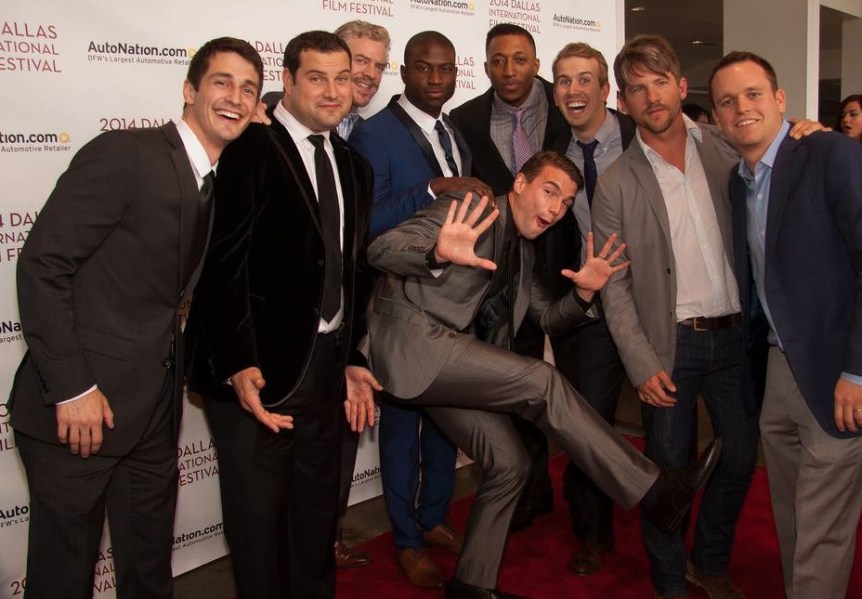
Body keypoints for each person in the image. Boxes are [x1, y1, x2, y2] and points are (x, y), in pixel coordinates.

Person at [356, 149, 722, 599]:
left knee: (511, 464)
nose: (555, 209)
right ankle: (654, 489)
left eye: (566, 202)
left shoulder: (523, 254)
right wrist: (435, 251)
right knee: (541, 380)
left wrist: (585, 293)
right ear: (520, 183)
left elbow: (548, 318)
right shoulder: (468, 211)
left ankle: (472, 585)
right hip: (411, 346)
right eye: (549, 191)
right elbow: (381, 248)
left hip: (446, 363)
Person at [9, 37, 262, 599]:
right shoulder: (126, 154)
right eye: (222, 82)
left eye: (249, 89)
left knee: (148, 566)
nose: (236, 98)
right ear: (189, 90)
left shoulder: (214, 181)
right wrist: (72, 387)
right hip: (78, 409)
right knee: (63, 576)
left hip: (152, 408)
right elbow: (43, 266)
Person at [184, 31, 375, 598]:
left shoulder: (354, 165)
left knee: (317, 518)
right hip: (258, 374)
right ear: (286, 81)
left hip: (326, 369)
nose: (333, 90)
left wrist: (354, 354)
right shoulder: (248, 147)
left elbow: (354, 270)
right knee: (259, 527)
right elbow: (223, 266)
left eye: (343, 77)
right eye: (316, 77)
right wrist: (239, 361)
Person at [590, 34, 757, 599]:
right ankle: (669, 583)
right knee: (667, 474)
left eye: (660, 82)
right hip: (669, 347)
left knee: (738, 459)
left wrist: (803, 132)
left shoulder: (725, 148)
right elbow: (614, 286)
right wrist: (640, 364)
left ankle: (708, 561)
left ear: (681, 86)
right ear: (623, 100)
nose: (651, 97)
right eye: (637, 88)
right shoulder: (614, 182)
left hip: (735, 337)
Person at [709, 51, 862, 599]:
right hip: (775, 369)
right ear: (718, 119)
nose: (740, 108)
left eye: (753, 94)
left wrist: (858, 372)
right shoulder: (737, 180)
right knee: (791, 512)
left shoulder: (831, 154)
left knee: (823, 526)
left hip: (836, 374)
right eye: (727, 101)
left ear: (779, 100)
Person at [350, 30, 492, 588]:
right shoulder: (373, 134)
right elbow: (366, 223)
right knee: (404, 429)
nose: (437, 80)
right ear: (404, 72)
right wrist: (433, 189)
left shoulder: (452, 129)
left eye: (446, 70)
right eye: (425, 70)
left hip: (453, 308)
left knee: (444, 425)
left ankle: (433, 519)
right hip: (401, 309)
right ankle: (405, 538)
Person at [449, 21, 571, 533]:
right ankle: (527, 489)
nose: (509, 70)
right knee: (515, 388)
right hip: (500, 279)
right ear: (485, 65)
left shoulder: (569, 107)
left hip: (568, 269)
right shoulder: (464, 119)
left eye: (519, 59)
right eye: (498, 60)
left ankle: (592, 511)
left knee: (581, 396)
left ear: (537, 63)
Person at [548, 41, 634, 576]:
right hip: (590, 310)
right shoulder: (549, 148)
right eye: (563, 80)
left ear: (605, 89)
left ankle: (666, 523)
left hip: (655, 305)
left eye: (585, 79)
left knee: (669, 426)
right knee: (589, 425)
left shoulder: (640, 135)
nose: (574, 90)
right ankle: (593, 533)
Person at [261, 20, 390, 142]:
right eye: (361, 60)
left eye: (379, 67)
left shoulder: (370, 133)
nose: (371, 74)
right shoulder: (267, 111)